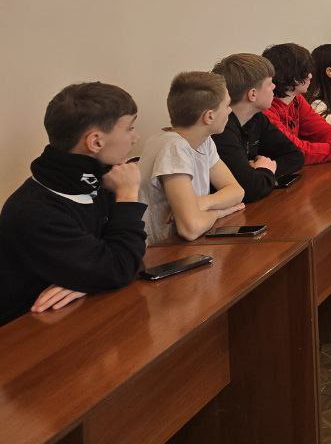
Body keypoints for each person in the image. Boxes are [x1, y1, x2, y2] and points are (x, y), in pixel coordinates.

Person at [0, 83, 146, 325]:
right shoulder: (35, 211)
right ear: (95, 142)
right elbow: (120, 265)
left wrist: (88, 280)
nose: (135, 137)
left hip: (73, 317)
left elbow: (128, 256)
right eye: (130, 128)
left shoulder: (97, 182)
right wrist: (128, 195)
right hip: (25, 332)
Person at [138, 72, 245, 243]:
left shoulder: (204, 141)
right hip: (160, 251)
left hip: (183, 246)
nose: (230, 110)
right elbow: (190, 228)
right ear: (209, 116)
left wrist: (203, 203)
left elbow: (237, 191)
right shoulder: (173, 147)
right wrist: (219, 212)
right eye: (227, 105)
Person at [211, 52, 302, 203]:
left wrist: (262, 172)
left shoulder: (257, 118)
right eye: (269, 83)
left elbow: (295, 156)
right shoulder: (221, 131)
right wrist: (263, 171)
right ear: (252, 94)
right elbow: (249, 189)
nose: (274, 86)